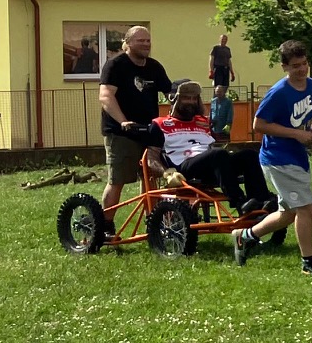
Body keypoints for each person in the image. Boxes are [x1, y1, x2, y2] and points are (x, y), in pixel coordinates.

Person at [233, 39, 312, 274]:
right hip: (277, 158)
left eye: (304, 63)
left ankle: (245, 236)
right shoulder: (278, 93)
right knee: (306, 209)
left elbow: (311, 117)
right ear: (284, 67)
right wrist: (296, 133)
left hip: (297, 157)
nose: (302, 69)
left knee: (288, 214)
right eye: (295, 66)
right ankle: (308, 262)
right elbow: (259, 125)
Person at [145, 80, 268, 215]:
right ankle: (240, 202)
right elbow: (151, 157)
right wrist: (167, 174)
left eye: (194, 98)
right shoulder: (160, 124)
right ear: (174, 99)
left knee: (249, 155)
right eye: (186, 98)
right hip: (184, 167)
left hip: (213, 165)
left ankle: (261, 201)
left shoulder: (202, 122)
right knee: (218, 154)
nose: (191, 102)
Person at [98, 25, 173, 211]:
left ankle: (152, 220)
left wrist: (179, 106)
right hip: (121, 133)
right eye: (141, 41)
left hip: (149, 131)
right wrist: (123, 121)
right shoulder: (115, 65)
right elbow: (106, 96)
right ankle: (106, 222)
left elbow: (171, 93)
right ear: (128, 42)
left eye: (148, 41)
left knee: (150, 177)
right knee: (117, 180)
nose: (146, 44)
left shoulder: (154, 67)